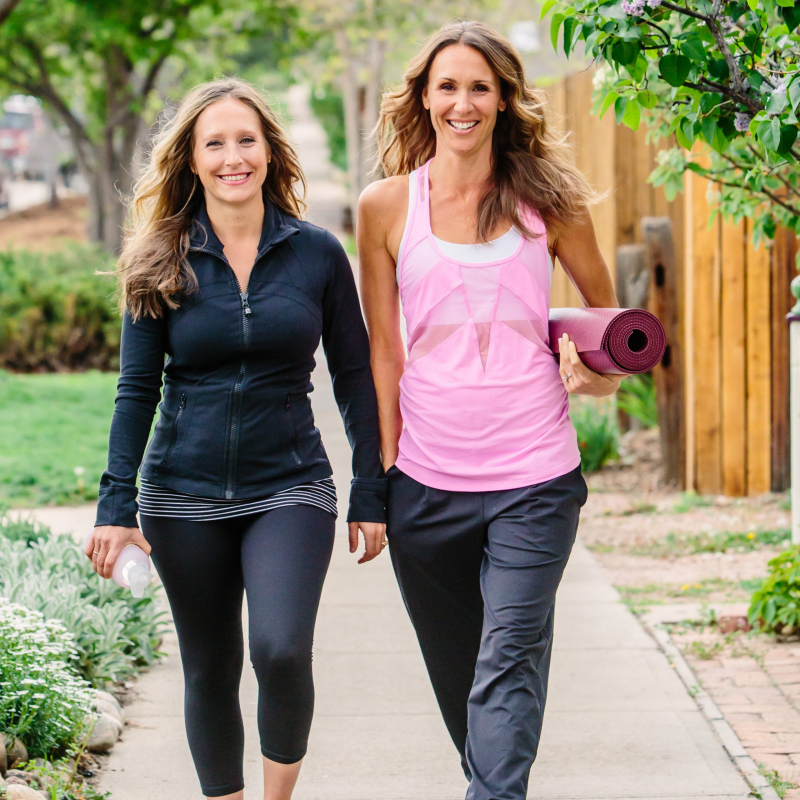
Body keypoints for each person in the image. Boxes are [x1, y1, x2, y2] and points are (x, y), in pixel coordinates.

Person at [85, 78, 387, 800]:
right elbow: (136, 390)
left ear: (269, 150)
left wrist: (370, 489)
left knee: (281, 651)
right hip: (181, 494)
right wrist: (115, 505)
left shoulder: (316, 254)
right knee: (210, 668)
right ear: (191, 159)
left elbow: (353, 373)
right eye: (213, 143)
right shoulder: (158, 258)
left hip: (290, 485)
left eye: (245, 140)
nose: (232, 157)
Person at [358, 21, 623, 800]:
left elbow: (610, 331)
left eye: (480, 86)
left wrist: (596, 377)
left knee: (508, 655)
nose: (463, 103)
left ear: (505, 98)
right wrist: (384, 478)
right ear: (425, 98)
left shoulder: (552, 202)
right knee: (461, 676)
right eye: (448, 86)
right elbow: (383, 354)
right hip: (427, 484)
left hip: (535, 477)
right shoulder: (384, 208)